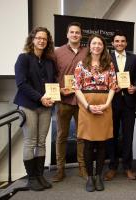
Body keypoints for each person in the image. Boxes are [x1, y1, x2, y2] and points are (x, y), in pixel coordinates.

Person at [14, 27, 56, 191]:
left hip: (45, 107)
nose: (41, 41)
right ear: (32, 40)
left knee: (41, 142)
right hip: (28, 105)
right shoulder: (23, 59)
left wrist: (58, 92)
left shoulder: (49, 61)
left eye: (45, 39)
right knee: (30, 142)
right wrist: (40, 98)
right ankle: (31, 178)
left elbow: (52, 84)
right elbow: (21, 84)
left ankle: (40, 176)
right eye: (38, 38)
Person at [74, 34, 117, 192]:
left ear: (103, 46)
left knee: (101, 143)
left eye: (99, 43)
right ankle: (90, 177)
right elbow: (76, 87)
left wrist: (106, 104)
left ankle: (99, 176)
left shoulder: (109, 64)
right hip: (86, 106)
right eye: (94, 43)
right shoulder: (81, 64)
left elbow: (113, 86)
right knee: (88, 143)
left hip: (105, 104)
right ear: (89, 46)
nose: (97, 46)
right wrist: (87, 106)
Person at [52, 22, 88, 182]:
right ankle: (60, 170)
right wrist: (59, 90)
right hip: (64, 101)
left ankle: (82, 168)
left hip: (82, 101)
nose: (74, 35)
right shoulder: (57, 52)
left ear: (81, 35)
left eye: (77, 32)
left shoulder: (87, 52)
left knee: (82, 136)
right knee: (61, 136)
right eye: (72, 32)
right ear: (67, 34)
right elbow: (51, 75)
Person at [104, 31, 136, 181]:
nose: (120, 43)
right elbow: (103, 77)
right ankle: (112, 166)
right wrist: (112, 86)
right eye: (117, 41)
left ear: (126, 43)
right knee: (111, 136)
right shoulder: (106, 58)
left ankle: (127, 166)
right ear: (113, 43)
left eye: (122, 41)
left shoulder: (134, 58)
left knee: (128, 136)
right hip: (113, 102)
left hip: (129, 103)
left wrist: (135, 87)